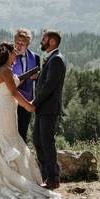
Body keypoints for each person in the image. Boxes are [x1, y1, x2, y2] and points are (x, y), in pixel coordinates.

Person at [0, 42, 59, 199]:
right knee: (6, 140)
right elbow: (14, 92)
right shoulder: (5, 70)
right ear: (8, 54)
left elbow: (14, 85)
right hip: (6, 108)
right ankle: (7, 179)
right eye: (14, 53)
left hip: (8, 108)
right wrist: (28, 106)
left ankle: (10, 176)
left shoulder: (6, 70)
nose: (16, 56)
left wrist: (29, 77)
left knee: (11, 139)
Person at [32, 29, 66, 189]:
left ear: (52, 41)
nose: (41, 41)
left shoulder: (56, 60)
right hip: (43, 108)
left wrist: (34, 102)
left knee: (47, 142)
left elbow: (49, 86)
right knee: (38, 140)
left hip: (48, 108)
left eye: (44, 38)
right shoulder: (52, 59)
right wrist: (38, 77)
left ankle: (53, 178)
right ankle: (46, 175)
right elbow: (46, 81)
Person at [12, 28, 40, 142]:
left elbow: (39, 81)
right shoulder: (8, 55)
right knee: (11, 132)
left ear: (27, 45)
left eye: (22, 44)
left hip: (27, 101)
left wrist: (37, 76)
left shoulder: (35, 57)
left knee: (22, 133)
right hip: (12, 99)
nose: (18, 46)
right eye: (17, 43)